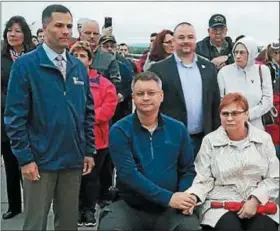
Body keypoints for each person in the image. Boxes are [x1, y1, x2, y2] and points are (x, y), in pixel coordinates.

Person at [4, 4, 96, 231]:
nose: (66, 31)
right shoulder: (26, 66)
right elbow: (15, 116)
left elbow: (87, 111)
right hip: (39, 161)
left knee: (67, 223)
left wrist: (88, 150)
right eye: (59, 25)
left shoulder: (77, 67)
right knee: (35, 223)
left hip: (72, 159)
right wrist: (25, 158)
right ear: (44, 28)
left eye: (69, 26)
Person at [98, 71, 200, 231]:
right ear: (133, 98)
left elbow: (187, 170)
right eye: (140, 93)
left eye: (151, 93)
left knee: (190, 228)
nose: (146, 98)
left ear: (161, 96)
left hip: (171, 208)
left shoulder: (178, 129)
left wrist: (183, 198)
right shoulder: (120, 130)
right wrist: (168, 198)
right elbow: (129, 174)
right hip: (130, 206)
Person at [185, 93, 279, 231]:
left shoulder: (263, 139)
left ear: (246, 114)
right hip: (221, 204)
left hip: (259, 202)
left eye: (235, 113)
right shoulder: (210, 141)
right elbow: (203, 178)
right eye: (225, 114)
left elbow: (274, 177)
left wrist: (255, 200)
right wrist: (192, 197)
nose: (229, 118)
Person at [149, 22, 220, 156]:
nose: (186, 41)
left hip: (203, 141)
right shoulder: (158, 69)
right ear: (174, 41)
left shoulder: (209, 68)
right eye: (181, 37)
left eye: (190, 37)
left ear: (195, 40)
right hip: (170, 141)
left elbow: (215, 105)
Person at [70, 41, 118, 227]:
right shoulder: (63, 81)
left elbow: (108, 108)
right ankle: (74, 209)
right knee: (73, 178)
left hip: (97, 139)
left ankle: (89, 211)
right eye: (75, 55)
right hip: (71, 139)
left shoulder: (104, 84)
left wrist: (85, 118)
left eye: (83, 55)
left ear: (90, 60)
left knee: (91, 178)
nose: (79, 59)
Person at [1, 15, 35, 220]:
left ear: (25, 34)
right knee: (11, 164)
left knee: (29, 162)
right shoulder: (1, 57)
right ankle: (14, 205)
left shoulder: (33, 56)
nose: (13, 34)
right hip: (6, 117)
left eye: (18, 30)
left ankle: (33, 204)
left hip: (32, 117)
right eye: (9, 30)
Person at [217, 37, 273, 130]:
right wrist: (234, 116)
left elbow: (268, 100)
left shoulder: (263, 70)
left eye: (242, 52)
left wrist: (248, 115)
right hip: (231, 126)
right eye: (236, 52)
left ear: (251, 53)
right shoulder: (224, 72)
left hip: (256, 127)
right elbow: (221, 100)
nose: (238, 56)